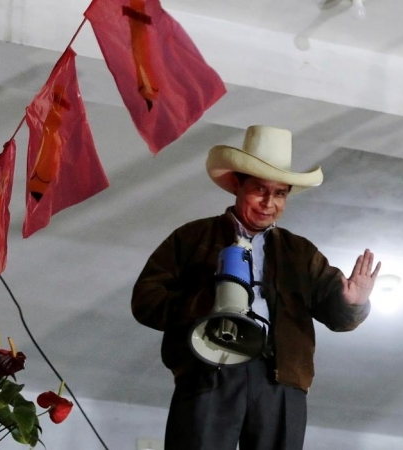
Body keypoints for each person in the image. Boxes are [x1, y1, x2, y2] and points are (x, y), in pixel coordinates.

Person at [131, 125, 380, 450]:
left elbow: (339, 317)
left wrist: (352, 303)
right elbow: (146, 300)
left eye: (280, 193)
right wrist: (211, 302)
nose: (268, 202)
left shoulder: (301, 252)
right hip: (209, 369)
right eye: (260, 190)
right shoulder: (191, 238)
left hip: (281, 379)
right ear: (237, 184)